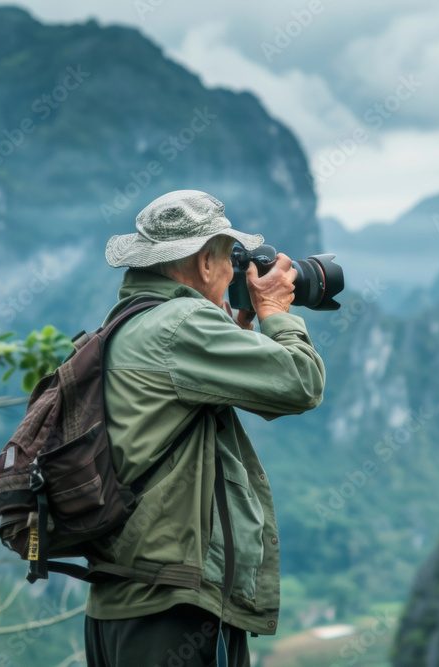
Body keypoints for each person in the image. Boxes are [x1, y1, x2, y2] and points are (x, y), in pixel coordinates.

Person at [84, 190, 325, 666]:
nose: (236, 271)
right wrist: (276, 312)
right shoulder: (182, 324)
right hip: (176, 608)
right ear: (204, 262)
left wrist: (237, 330)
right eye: (230, 258)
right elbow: (301, 383)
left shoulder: (127, 324)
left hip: (120, 604)